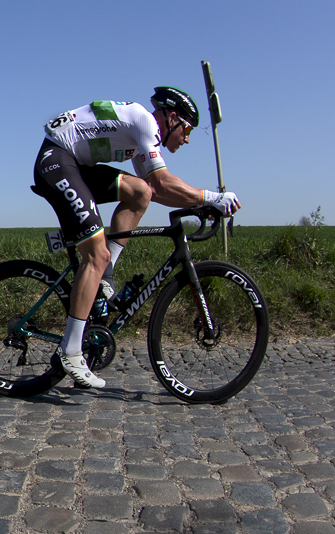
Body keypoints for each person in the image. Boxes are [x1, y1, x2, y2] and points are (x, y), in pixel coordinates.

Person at [33, 86, 241, 389]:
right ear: (172, 118)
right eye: (187, 129)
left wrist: (201, 202)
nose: (188, 138)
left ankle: (105, 276)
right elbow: (165, 183)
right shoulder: (144, 121)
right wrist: (210, 197)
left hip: (74, 164)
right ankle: (70, 350)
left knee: (140, 191)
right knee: (96, 254)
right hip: (56, 161)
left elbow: (155, 190)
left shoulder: (141, 135)